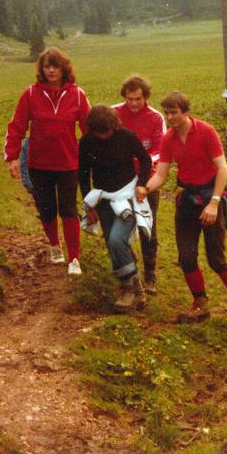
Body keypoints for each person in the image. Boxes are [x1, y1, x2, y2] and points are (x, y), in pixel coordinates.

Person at [140, 91, 227, 327]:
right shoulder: (169, 138)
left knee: (216, 259)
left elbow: (222, 169)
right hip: (187, 200)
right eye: (167, 113)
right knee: (187, 257)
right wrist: (145, 189)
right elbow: (161, 173)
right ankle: (200, 304)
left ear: (185, 112)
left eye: (174, 112)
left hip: (210, 197)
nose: (170, 117)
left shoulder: (206, 131)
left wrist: (214, 202)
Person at [5, 47, 90, 276]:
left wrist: (98, 157)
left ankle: (74, 259)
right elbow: (17, 126)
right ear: (41, 69)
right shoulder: (31, 94)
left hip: (68, 163)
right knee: (46, 209)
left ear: (64, 69)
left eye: (56, 66)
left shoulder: (78, 95)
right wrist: (12, 156)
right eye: (47, 66)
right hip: (38, 163)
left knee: (68, 208)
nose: (51, 70)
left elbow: (89, 129)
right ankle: (55, 245)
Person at [79, 105, 152, 312]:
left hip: (128, 197)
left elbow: (145, 160)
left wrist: (142, 184)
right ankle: (137, 288)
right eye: (98, 132)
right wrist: (88, 204)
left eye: (106, 132)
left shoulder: (126, 137)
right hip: (103, 199)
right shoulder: (86, 142)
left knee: (116, 239)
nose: (102, 137)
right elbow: (83, 174)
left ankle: (127, 289)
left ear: (113, 125)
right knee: (114, 246)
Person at [114, 75, 165, 294]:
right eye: (129, 99)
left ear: (146, 97)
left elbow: (159, 151)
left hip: (146, 180)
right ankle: (130, 272)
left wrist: (143, 173)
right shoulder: (114, 113)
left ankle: (150, 275)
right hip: (120, 181)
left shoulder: (155, 118)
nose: (133, 103)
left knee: (147, 228)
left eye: (138, 99)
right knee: (120, 227)